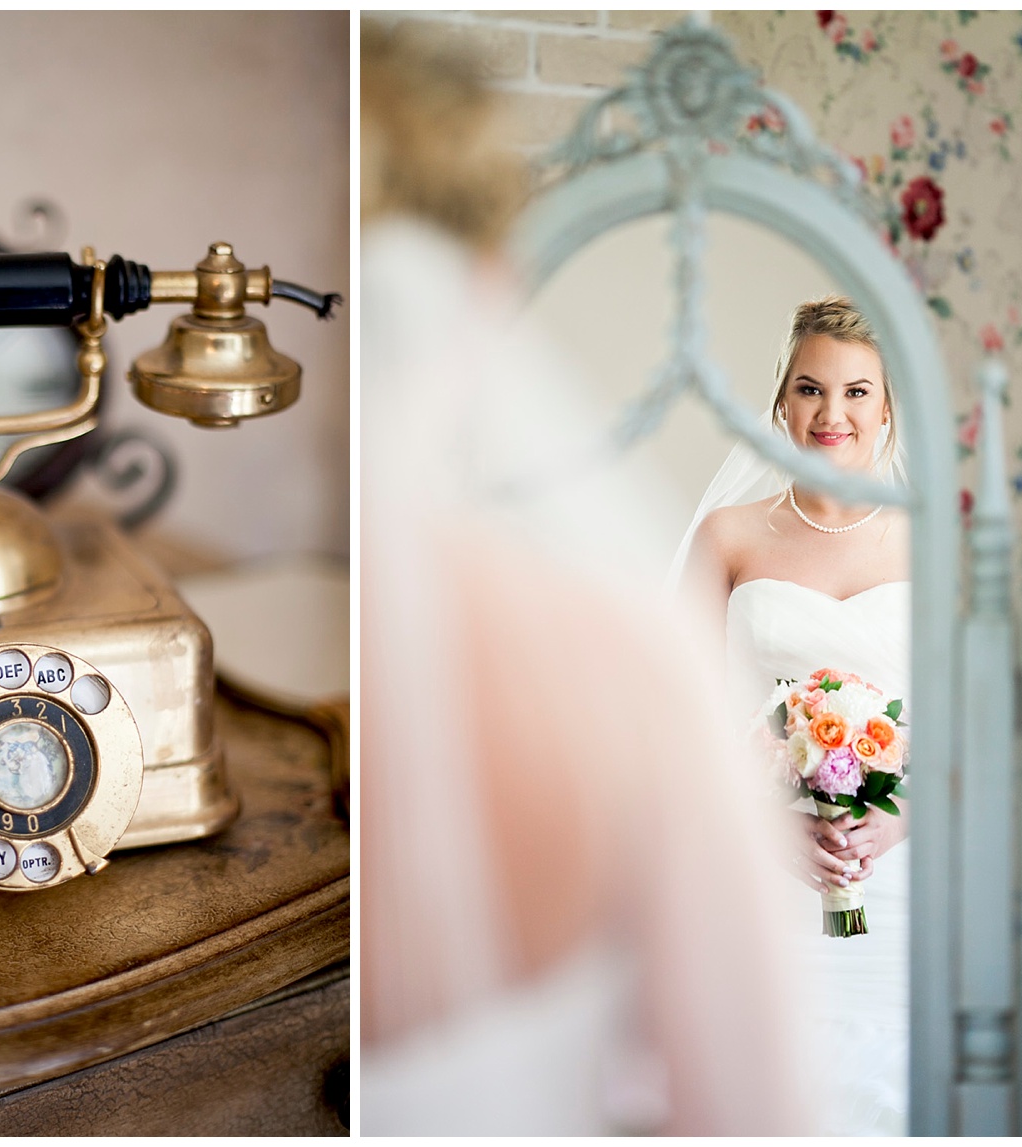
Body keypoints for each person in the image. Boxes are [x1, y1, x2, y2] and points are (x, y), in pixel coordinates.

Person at [361, 22, 808, 1135]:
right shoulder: (613, 654)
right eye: (809, 391)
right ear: (482, 289)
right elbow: (748, 1113)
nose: (826, 417)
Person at [682, 295, 911, 1136]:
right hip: (756, 872)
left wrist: (899, 819)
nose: (832, 412)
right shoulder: (729, 537)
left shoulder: (932, 541)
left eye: (856, 392)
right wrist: (769, 825)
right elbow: (681, 725)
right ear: (782, 400)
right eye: (811, 388)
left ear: (887, 406)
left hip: (901, 877)